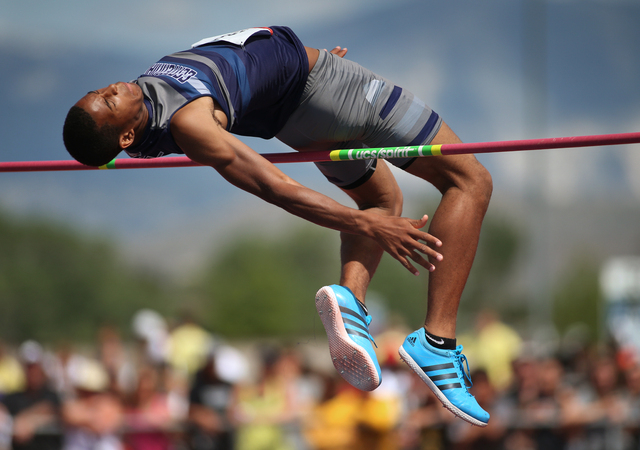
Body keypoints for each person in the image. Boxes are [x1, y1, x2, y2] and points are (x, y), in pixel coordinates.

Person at [62, 26, 493, 426]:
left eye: (100, 91)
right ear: (124, 138)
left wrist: (288, 65)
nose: (113, 87)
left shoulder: (153, 102)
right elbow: (275, 187)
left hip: (300, 107)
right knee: (468, 180)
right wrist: (370, 227)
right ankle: (438, 342)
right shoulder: (189, 123)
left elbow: (235, 68)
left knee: (382, 199)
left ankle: (351, 301)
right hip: (327, 89)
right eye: (109, 101)